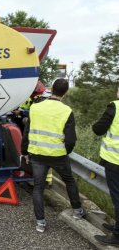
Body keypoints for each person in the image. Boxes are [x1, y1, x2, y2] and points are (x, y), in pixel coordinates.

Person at [21, 78, 85, 233]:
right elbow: (70, 140)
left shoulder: (35, 108)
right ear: (66, 93)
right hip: (58, 155)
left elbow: (27, 133)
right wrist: (65, 152)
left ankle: (40, 223)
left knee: (38, 187)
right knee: (69, 180)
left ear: (51, 88)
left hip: (36, 154)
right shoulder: (67, 111)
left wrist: (24, 152)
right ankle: (77, 211)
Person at [92, 87, 119, 246]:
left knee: (117, 198)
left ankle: (117, 237)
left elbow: (98, 129)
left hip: (115, 160)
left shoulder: (114, 107)